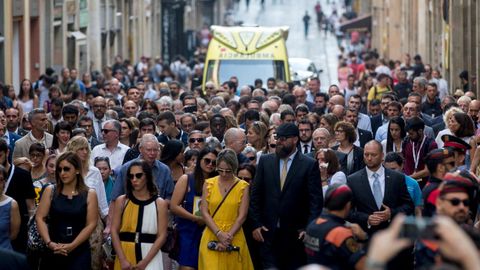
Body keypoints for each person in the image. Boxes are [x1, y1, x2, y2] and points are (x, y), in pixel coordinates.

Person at [249, 123, 323, 269]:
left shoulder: (309, 165)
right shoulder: (265, 161)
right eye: (277, 138)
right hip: (268, 234)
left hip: (296, 237)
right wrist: (256, 224)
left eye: (283, 139)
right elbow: (255, 195)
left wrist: (309, 229)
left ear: (295, 140)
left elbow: (316, 202)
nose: (278, 142)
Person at [36, 151, 99, 269]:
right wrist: (50, 243)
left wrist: (72, 245)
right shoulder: (50, 190)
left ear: (77, 170)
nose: (62, 173)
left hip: (79, 250)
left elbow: (91, 224)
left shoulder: (90, 194)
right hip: (53, 249)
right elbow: (40, 217)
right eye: (59, 169)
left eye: (66, 169)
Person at [198, 149, 253, 270]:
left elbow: (242, 216)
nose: (223, 174)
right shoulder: (208, 184)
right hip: (212, 233)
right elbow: (204, 212)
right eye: (220, 170)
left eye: (228, 171)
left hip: (234, 235)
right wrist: (218, 233)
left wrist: (227, 237)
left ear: (234, 168)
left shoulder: (243, 186)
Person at [347, 140, 414, 235]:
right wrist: (367, 218)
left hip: (393, 235)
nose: (369, 158)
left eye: (373, 155)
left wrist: (391, 213)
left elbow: (408, 206)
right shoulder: (352, 180)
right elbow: (347, 211)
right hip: (366, 237)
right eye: (366, 154)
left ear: (382, 156)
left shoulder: (397, 178)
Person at [111, 159, 168, 270]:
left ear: (147, 176)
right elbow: (114, 231)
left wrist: (145, 261)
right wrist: (122, 259)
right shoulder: (122, 200)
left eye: (138, 175)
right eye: (131, 176)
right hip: (125, 252)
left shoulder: (159, 203)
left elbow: (162, 235)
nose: (134, 179)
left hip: (150, 253)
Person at [65, 136, 109, 269]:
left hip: (93, 224)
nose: (84, 152)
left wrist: (108, 226)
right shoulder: (65, 170)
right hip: (69, 221)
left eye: (86, 149)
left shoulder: (94, 172)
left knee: (93, 262)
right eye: (80, 149)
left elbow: (102, 203)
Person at [171, 147, 218, 270]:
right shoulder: (186, 179)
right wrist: (195, 218)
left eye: (214, 162)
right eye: (207, 160)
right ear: (199, 160)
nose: (210, 164)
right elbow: (174, 206)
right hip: (188, 230)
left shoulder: (218, 182)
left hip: (211, 231)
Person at [304, 184, 367, 269]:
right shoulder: (340, 233)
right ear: (347, 205)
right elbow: (362, 265)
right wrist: (364, 238)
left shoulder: (313, 225)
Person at [383, 152, 424, 217]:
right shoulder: (381, 183)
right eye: (387, 169)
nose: (390, 172)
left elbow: (418, 209)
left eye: (393, 169)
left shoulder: (413, 183)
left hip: (409, 224)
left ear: (401, 166)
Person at [421, 148, 455, 217]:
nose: (455, 167)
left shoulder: (432, 186)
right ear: (440, 167)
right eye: (452, 164)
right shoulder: (437, 191)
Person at [0, 164, 21, 250]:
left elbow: (13, 235)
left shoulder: (12, 204)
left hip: (4, 254)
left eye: (0, 180)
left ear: (5, 182)